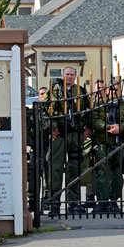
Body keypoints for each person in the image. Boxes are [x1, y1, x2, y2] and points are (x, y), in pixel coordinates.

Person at [45, 67, 91, 216]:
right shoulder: (53, 91)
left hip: (75, 134)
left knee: (74, 169)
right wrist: (51, 127)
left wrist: (87, 130)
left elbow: (90, 111)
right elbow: (43, 112)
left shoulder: (81, 91)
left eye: (72, 75)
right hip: (59, 135)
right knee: (55, 169)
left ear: (75, 77)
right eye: (67, 74)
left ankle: (74, 203)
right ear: (62, 75)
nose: (70, 77)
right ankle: (54, 204)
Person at [90, 80, 124, 213]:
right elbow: (94, 120)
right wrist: (108, 127)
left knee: (116, 173)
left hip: (120, 143)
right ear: (107, 91)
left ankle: (114, 201)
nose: (114, 93)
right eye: (112, 90)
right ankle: (102, 201)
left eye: (117, 90)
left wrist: (121, 128)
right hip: (104, 143)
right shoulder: (99, 104)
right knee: (102, 172)